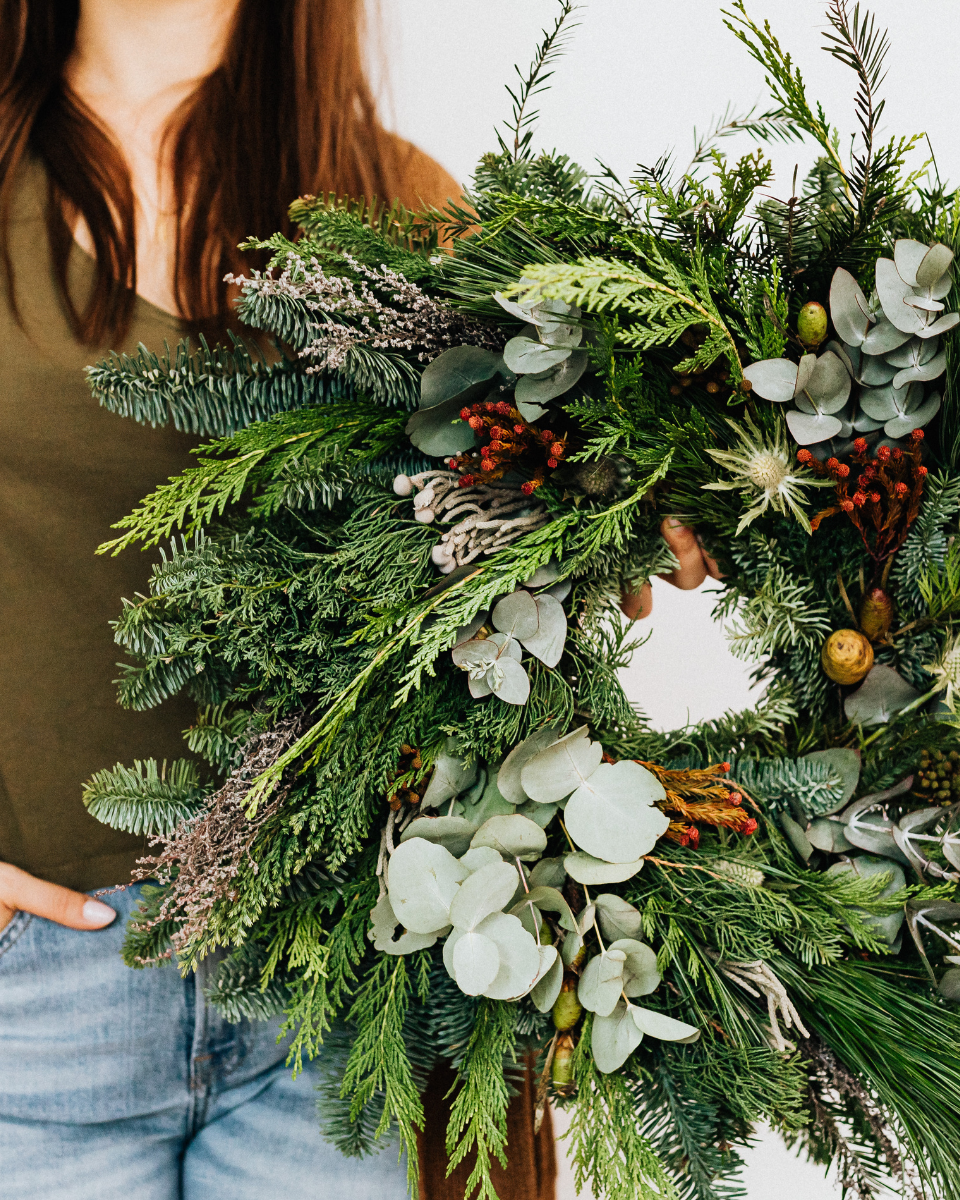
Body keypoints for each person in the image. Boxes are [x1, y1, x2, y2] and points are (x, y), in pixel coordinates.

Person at [0, 2, 717, 1196]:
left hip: (329, 1007)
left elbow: (527, 532)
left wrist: (645, 496)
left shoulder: (404, 215)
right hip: (36, 995)